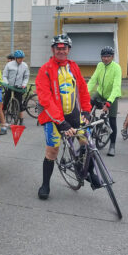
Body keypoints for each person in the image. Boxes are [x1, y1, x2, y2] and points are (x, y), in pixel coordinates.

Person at [35, 34, 92, 200]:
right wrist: (61, 122)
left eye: (64, 48)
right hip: (53, 117)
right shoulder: (45, 69)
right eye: (58, 48)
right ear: (53, 50)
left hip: (72, 113)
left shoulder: (73, 67)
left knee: (87, 141)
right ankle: (45, 184)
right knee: (52, 150)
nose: (61, 50)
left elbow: (83, 89)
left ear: (69, 50)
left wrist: (87, 110)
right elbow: (45, 99)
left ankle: (88, 171)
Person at [87, 46, 122, 156]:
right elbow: (93, 80)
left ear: (112, 57)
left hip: (112, 96)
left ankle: (112, 145)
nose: (105, 59)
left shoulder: (117, 68)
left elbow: (116, 86)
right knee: (87, 107)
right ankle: (90, 129)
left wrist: (109, 102)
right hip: (100, 93)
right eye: (103, 56)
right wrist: (85, 94)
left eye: (108, 56)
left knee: (112, 120)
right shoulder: (100, 65)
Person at [3, 49, 30, 125]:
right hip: (9, 86)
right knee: (5, 102)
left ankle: (21, 120)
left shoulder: (24, 66)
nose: (21, 60)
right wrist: (6, 83)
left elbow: (26, 77)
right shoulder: (9, 65)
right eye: (19, 58)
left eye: (22, 58)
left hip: (19, 87)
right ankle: (2, 118)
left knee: (20, 104)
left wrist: (24, 84)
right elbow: (4, 75)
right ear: (15, 58)